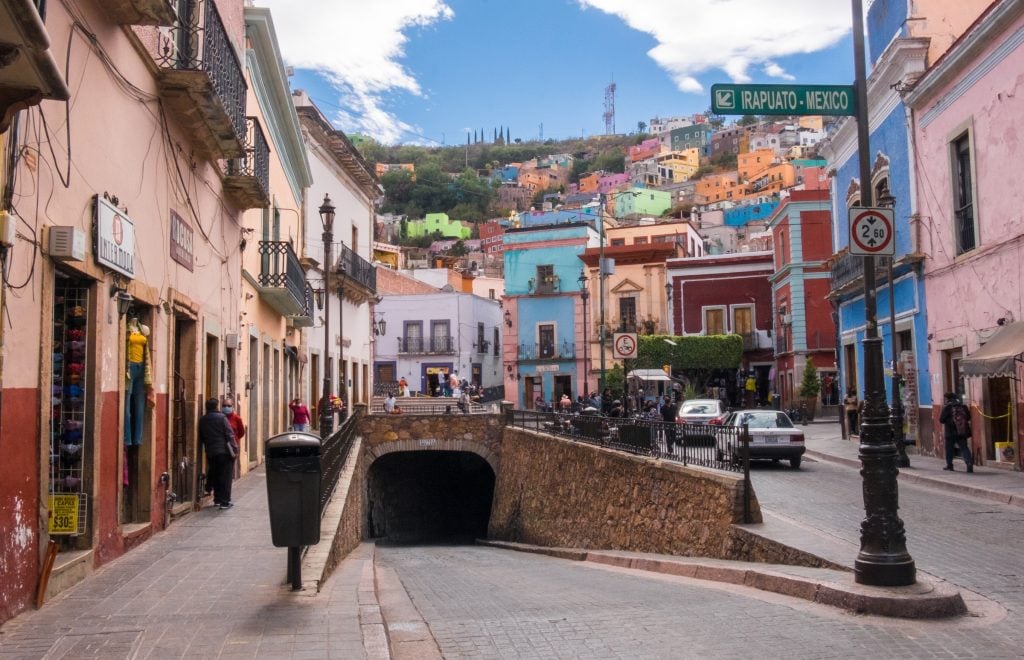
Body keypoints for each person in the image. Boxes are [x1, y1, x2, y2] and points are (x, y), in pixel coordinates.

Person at [199, 398, 236, 509]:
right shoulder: (222, 418)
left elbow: (202, 436)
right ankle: (225, 501)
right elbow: (229, 434)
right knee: (225, 477)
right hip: (224, 452)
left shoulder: (202, 420)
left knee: (215, 475)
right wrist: (235, 450)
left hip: (211, 452)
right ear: (216, 406)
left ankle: (217, 500)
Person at [940, 392, 974, 472]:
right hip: (961, 431)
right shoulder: (963, 406)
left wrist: (950, 422)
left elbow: (941, 419)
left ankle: (950, 465)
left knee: (949, 449)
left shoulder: (947, 407)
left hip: (950, 432)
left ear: (947, 399)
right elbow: (968, 417)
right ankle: (969, 463)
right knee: (964, 448)